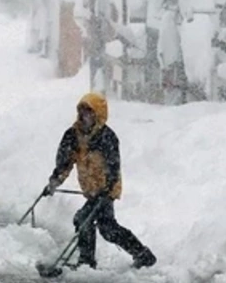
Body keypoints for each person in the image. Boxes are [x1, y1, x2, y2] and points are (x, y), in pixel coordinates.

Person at [44, 92, 156, 270]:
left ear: (98, 113)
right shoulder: (73, 135)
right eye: (82, 112)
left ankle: (86, 262)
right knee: (108, 229)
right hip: (91, 190)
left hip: (106, 190)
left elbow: (113, 166)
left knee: (83, 219)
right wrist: (55, 181)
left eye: (89, 112)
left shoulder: (106, 137)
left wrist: (108, 188)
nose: (84, 116)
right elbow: (65, 162)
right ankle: (142, 254)